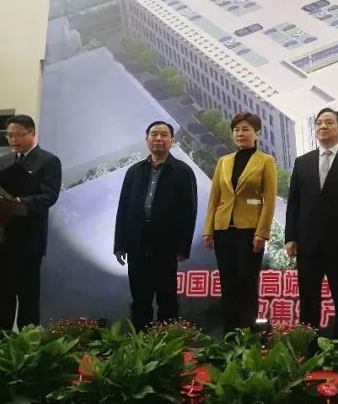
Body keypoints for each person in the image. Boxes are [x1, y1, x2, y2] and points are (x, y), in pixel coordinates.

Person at [285, 108, 338, 338]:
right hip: (308, 243)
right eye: (319, 123)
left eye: (329, 122)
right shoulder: (302, 162)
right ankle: (308, 345)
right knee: (308, 298)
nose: (323, 126)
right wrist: (290, 237)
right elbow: (294, 202)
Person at [114, 120, 198, 331]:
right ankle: (140, 342)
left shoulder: (183, 172)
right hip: (136, 243)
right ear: (146, 139)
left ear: (172, 140)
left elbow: (189, 211)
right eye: (154, 134)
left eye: (163, 134)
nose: (158, 138)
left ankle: (167, 343)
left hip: (166, 244)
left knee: (167, 299)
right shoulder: (134, 171)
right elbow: (123, 208)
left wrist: (183, 246)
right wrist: (120, 244)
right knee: (140, 299)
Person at [202, 112, 277, 334]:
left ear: (257, 133)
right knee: (228, 285)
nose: (240, 134)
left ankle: (249, 335)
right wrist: (208, 230)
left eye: (245, 129)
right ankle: (230, 335)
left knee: (247, 285)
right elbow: (214, 198)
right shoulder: (223, 161)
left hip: (249, 232)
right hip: (223, 230)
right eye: (236, 130)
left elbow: (269, 200)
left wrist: (262, 233)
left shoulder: (266, 161)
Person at [0, 114, 62, 332]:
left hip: (29, 239)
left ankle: (28, 342)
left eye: (18, 135)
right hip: (2, 237)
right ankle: (0, 340)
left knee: (28, 296)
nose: (13, 140)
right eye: (9, 135)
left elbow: (49, 196)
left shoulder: (48, 161)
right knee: (2, 295)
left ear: (32, 133)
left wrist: (19, 201)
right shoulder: (2, 161)